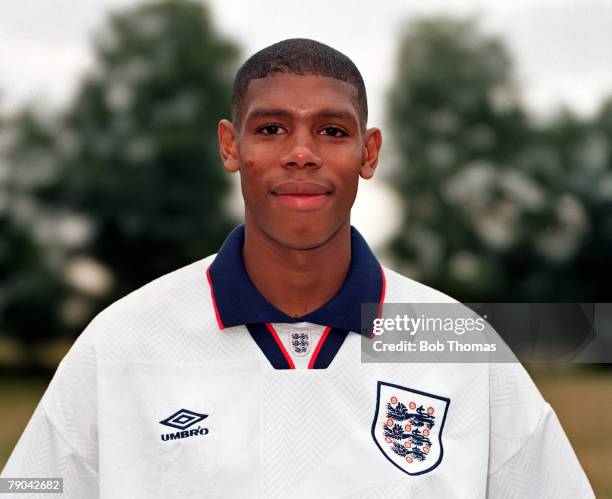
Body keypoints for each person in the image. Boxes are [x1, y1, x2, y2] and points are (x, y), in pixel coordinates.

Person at [1, 38, 593, 498]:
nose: (301, 151)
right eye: (271, 128)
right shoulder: (122, 341)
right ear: (232, 147)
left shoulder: (456, 341)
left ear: (369, 152)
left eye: (331, 130)